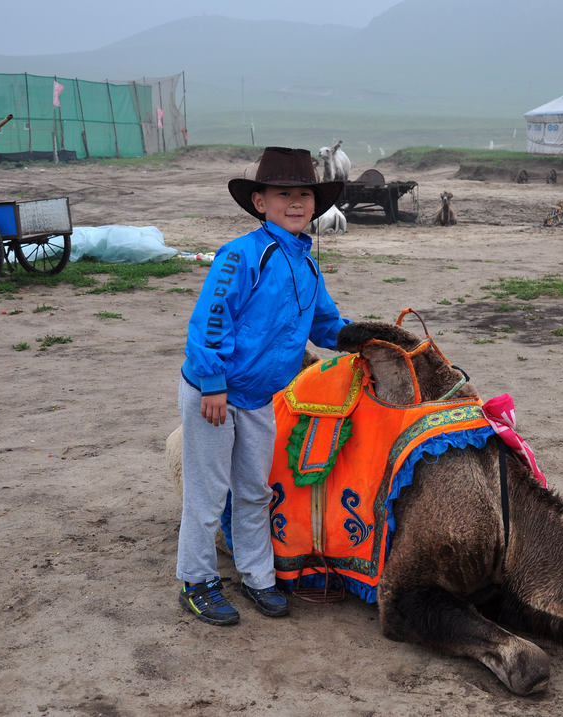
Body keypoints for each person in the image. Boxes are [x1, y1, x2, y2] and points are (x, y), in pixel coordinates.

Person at [176, 146, 349, 626]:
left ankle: (257, 575)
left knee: (253, 491)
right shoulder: (242, 254)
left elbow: (326, 324)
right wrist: (212, 383)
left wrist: (365, 339)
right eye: (283, 194)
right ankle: (196, 581)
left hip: (259, 398)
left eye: (304, 195)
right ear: (260, 202)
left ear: (315, 205)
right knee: (208, 494)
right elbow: (212, 319)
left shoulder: (307, 265)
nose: (295, 203)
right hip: (216, 394)